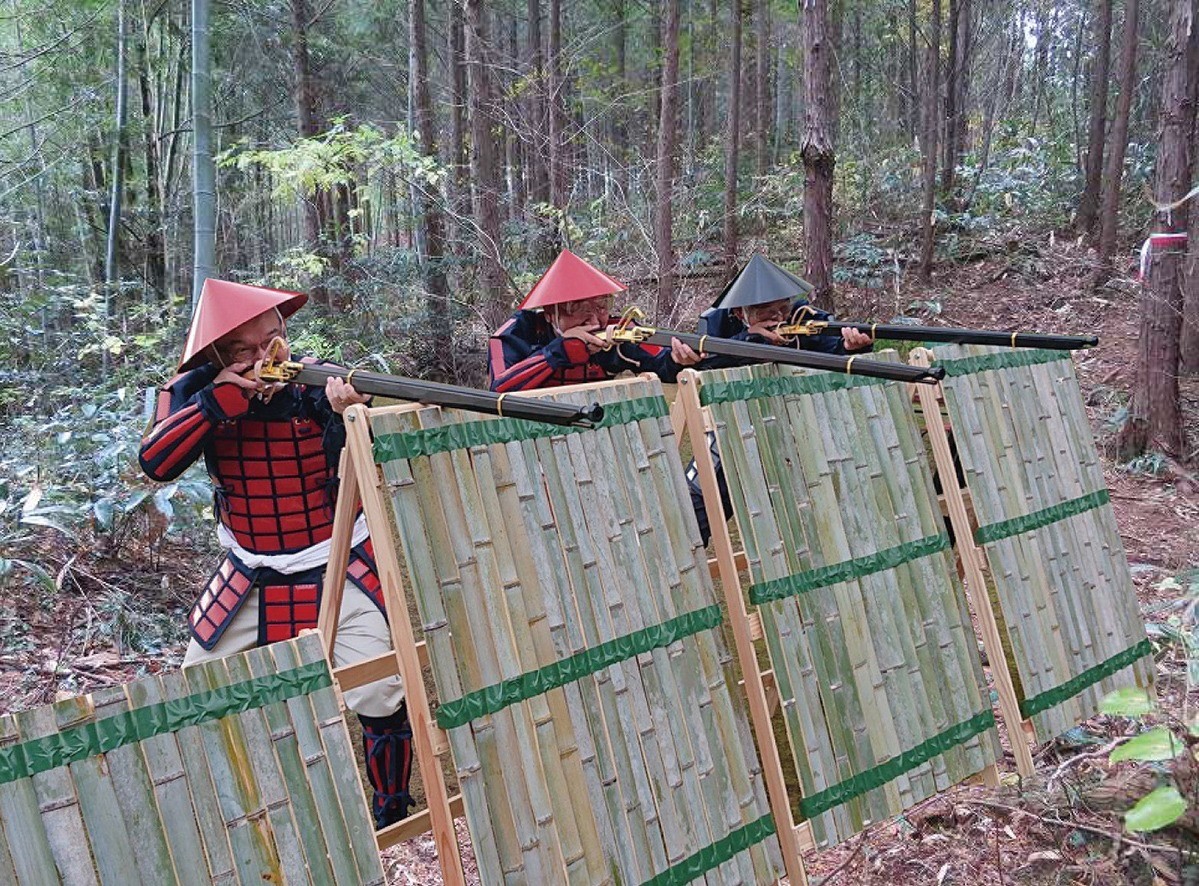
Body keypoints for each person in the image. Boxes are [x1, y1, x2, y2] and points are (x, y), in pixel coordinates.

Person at [138, 279, 411, 831]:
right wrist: (219, 402)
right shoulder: (191, 390)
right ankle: (228, 812)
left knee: (380, 689)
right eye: (247, 349)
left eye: (274, 339)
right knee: (199, 689)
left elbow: (362, 461)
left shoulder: (313, 381)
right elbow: (156, 462)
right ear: (216, 354)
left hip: (338, 564)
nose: (268, 356)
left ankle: (389, 813)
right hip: (249, 574)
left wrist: (348, 414)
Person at [687, 255, 874, 545]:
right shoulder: (716, 324)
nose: (778, 317)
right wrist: (752, 341)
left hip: (797, 427)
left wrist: (849, 345)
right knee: (696, 505)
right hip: (733, 425)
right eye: (765, 311)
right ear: (740, 312)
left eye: (782, 308)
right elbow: (703, 366)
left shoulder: (804, 317)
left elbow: (831, 345)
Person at [489, 249, 702, 392]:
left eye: (601, 306)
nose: (594, 320)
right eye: (578, 308)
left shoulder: (617, 330)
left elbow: (659, 364)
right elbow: (499, 389)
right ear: (550, 313)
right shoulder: (516, 332)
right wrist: (559, 351)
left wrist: (677, 359)